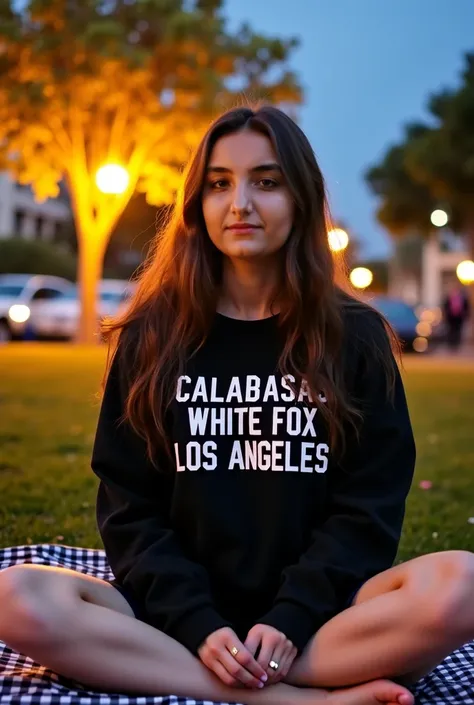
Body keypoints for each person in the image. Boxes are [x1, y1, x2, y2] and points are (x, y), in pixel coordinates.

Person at [1, 106, 474, 705]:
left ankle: (256, 678)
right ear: (197, 201)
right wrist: (197, 623)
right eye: (219, 183)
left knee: (463, 585)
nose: (240, 203)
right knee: (16, 597)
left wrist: (292, 619)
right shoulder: (153, 335)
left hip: (322, 624)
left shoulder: (356, 337)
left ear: (301, 198)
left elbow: (368, 509)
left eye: (266, 182)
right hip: (174, 624)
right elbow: (129, 509)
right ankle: (294, 700)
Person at [442, 279, 470, 351]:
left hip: (459, 317)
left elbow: (466, 306)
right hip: (451, 317)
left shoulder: (462, 297)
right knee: (451, 330)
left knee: (458, 330)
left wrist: (466, 314)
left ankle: (456, 344)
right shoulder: (448, 297)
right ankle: (451, 345)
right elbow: (445, 306)